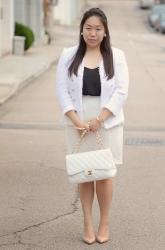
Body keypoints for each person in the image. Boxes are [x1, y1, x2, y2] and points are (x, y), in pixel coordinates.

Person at [56, 7, 129, 245]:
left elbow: (121, 91)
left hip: (107, 121)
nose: (92, 33)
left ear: (105, 32)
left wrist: (100, 119)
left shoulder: (116, 56)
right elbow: (62, 92)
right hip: (77, 121)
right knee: (85, 173)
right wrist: (78, 122)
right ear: (81, 30)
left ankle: (104, 222)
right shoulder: (68, 55)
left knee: (105, 173)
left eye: (98, 29)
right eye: (88, 28)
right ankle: (87, 222)